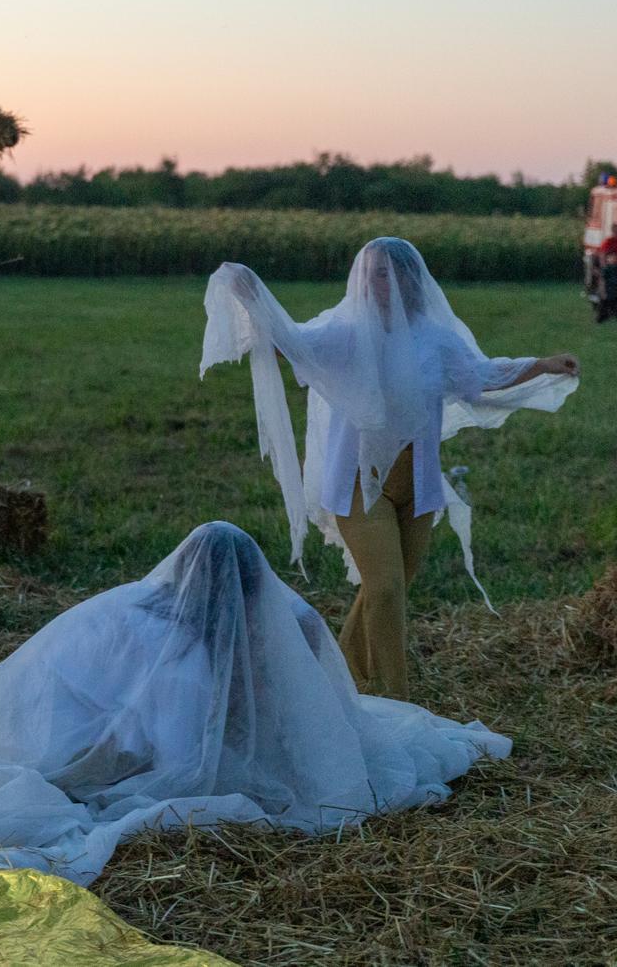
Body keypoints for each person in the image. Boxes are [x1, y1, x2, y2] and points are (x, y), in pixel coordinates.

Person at [0, 522, 513, 891]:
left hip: (28, 715)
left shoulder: (145, 606)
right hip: (64, 737)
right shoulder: (178, 659)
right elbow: (181, 767)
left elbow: (301, 638)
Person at [200, 238, 579, 699]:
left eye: (396, 273)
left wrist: (541, 365)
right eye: (377, 272)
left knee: (390, 590)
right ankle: (396, 699)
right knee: (384, 590)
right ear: (363, 279)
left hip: (417, 488)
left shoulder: (435, 339)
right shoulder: (346, 333)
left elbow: (479, 377)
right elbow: (294, 344)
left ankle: (339, 678)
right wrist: (251, 295)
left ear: (414, 280)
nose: (387, 282)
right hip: (362, 485)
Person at [595, 226, 617, 323]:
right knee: (604, 303)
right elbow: (602, 254)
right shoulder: (608, 241)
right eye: (616, 232)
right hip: (608, 289)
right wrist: (602, 291)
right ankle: (601, 317)